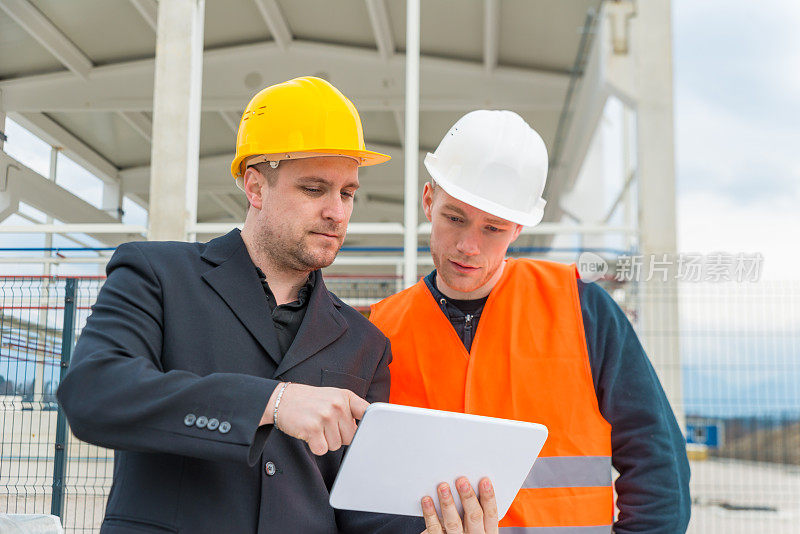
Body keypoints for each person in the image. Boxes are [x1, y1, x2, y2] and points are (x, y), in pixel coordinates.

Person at [57, 77, 498, 534]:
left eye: (347, 193)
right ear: (255, 187)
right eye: (314, 189)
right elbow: (93, 394)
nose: (338, 213)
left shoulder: (364, 342)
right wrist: (271, 402)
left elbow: (358, 509)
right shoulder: (159, 275)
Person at [370, 110, 691, 533]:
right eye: (454, 218)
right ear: (428, 200)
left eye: (493, 228)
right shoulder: (380, 329)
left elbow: (657, 458)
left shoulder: (583, 309)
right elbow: (361, 487)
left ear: (518, 227)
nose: (469, 245)